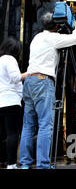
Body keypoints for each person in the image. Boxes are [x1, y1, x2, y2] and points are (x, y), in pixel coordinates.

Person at [19, 12, 76, 169]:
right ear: (56, 26)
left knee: (28, 125)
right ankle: (43, 165)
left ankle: (25, 163)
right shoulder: (53, 38)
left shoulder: (37, 37)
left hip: (29, 81)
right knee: (45, 125)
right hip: (43, 81)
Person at [0, 37, 28, 169]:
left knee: (3, 134)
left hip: (1, 101)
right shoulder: (9, 59)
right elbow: (16, 77)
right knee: (12, 133)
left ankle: (3, 161)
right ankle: (11, 164)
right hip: (11, 101)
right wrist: (30, 73)